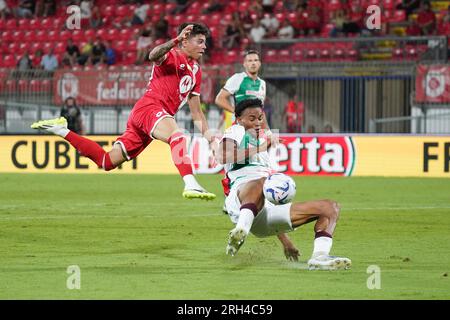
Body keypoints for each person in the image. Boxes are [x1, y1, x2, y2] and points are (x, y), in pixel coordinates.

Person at [31, 23, 217, 201]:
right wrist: (175, 40)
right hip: (150, 108)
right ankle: (190, 182)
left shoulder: (196, 71)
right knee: (178, 136)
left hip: (148, 117)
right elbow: (153, 55)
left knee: (107, 162)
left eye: (205, 42)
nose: (204, 46)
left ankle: (62, 130)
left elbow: (197, 113)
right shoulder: (173, 55)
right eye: (200, 41)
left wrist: (211, 140)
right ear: (185, 41)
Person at [216, 99, 351, 270]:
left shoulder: (263, 145)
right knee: (263, 183)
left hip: (263, 213)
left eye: (260, 118)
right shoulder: (235, 131)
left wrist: (286, 242)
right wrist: (261, 148)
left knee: (330, 207)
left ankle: (320, 257)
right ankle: (240, 230)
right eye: (252, 119)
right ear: (239, 119)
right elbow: (223, 156)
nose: (257, 123)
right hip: (239, 200)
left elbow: (267, 196)